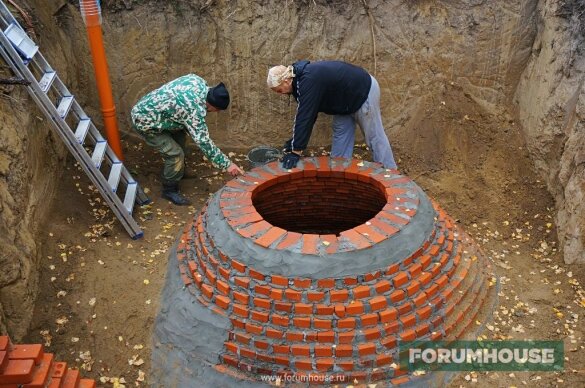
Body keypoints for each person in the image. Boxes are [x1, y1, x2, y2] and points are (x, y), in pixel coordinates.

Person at [131, 74, 243, 206]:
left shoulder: (199, 81)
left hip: (160, 114)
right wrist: (228, 165)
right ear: (211, 104)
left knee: (181, 137)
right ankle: (169, 190)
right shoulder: (193, 110)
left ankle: (178, 171)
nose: (216, 112)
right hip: (145, 121)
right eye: (217, 109)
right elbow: (204, 142)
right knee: (175, 154)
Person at [267, 60, 397, 170]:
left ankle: (390, 174)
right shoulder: (299, 82)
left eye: (278, 90)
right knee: (340, 136)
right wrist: (295, 142)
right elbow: (309, 114)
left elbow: (305, 116)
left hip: (362, 90)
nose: (280, 93)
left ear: (286, 81)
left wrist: (296, 151)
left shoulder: (307, 81)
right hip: (343, 100)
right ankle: (339, 173)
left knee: (374, 136)